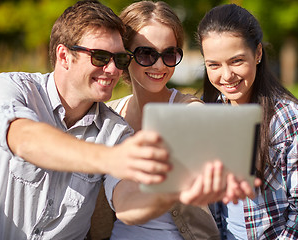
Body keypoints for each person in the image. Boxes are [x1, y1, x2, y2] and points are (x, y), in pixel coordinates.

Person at [0, 1, 177, 239]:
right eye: (101, 57)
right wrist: (110, 158)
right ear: (64, 56)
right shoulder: (10, 89)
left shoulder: (115, 130)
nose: (113, 69)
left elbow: (126, 204)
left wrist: (173, 190)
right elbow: (25, 140)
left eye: (120, 59)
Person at [89, 2, 257, 240]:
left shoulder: (189, 112)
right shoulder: (111, 112)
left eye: (169, 54)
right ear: (126, 55)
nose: (159, 65)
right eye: (146, 54)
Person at [197, 4, 298, 240]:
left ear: (258, 54)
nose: (226, 76)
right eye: (213, 64)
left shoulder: (293, 121)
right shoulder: (204, 111)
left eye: (236, 61)